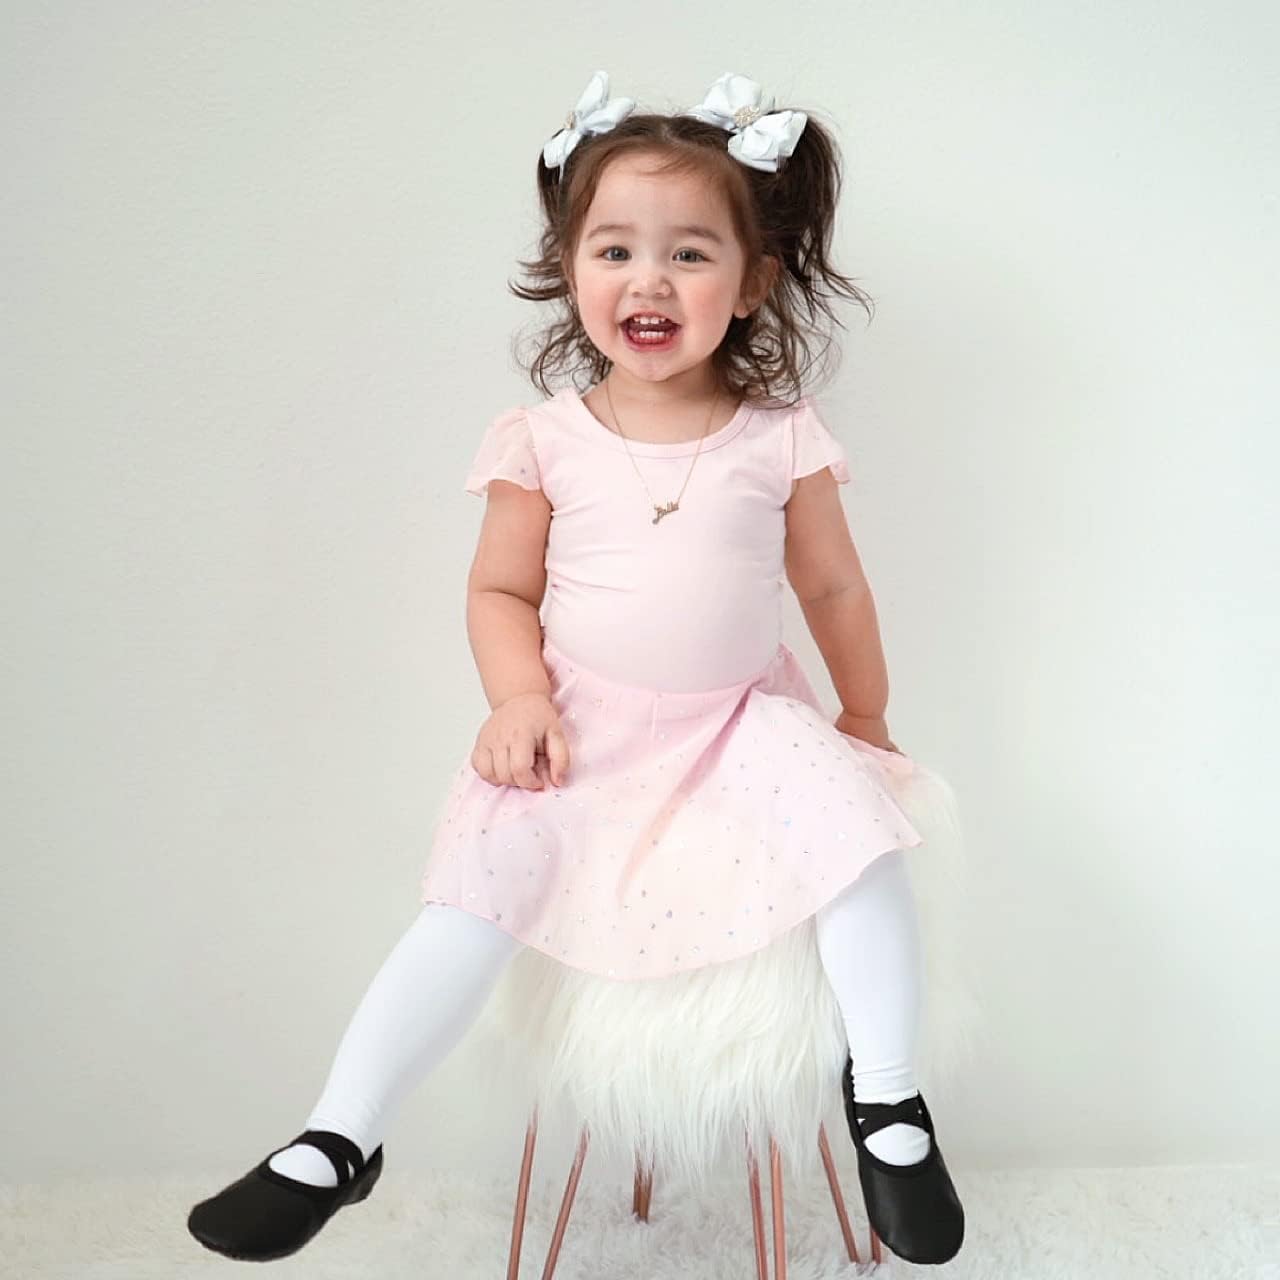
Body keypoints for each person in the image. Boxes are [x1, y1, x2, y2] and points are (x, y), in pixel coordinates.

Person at [187, 68, 965, 1266]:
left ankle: (889, 1102)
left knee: (858, 845)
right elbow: (498, 590)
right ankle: (339, 1133)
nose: (648, 280)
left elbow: (830, 588)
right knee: (472, 892)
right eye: (614, 250)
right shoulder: (540, 439)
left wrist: (862, 708)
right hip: (580, 729)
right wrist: (517, 695)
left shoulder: (779, 437)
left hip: (740, 720)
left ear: (752, 282)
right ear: (569, 267)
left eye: (689, 254)